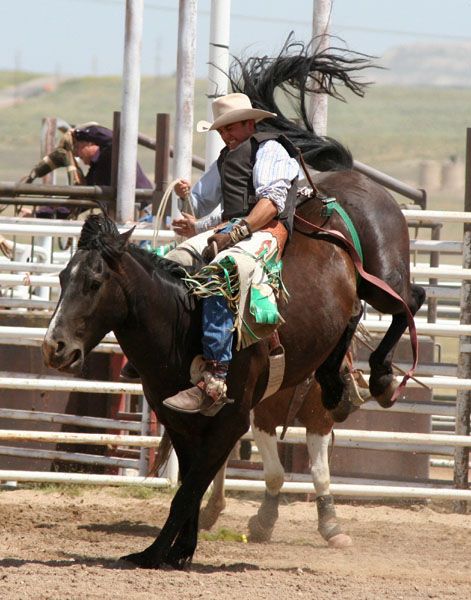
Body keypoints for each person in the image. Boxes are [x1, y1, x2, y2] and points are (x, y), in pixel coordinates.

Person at [161, 92, 300, 416]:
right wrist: (190, 212)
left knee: (222, 272)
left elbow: (271, 203)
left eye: (232, 128)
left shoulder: (270, 149)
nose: (227, 135)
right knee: (172, 262)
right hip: (234, 226)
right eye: (222, 131)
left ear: (250, 123)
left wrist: (236, 231)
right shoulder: (227, 158)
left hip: (267, 229)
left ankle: (216, 375)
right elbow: (204, 204)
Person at [21, 123, 153, 218]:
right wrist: (38, 214)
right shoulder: (95, 172)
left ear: (90, 143)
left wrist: (76, 133)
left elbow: (111, 137)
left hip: (144, 213)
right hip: (133, 215)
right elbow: (75, 202)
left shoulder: (111, 153)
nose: (77, 155)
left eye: (77, 147)